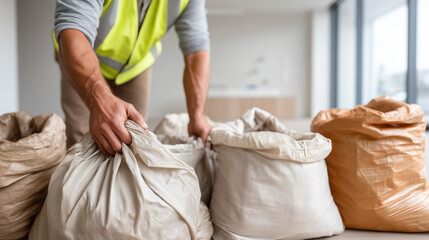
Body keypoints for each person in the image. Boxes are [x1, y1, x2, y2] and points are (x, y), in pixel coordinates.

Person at [54, 0, 212, 155]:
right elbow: (73, 31)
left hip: (135, 67)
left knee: (134, 142)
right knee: (83, 145)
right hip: (82, 60)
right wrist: (99, 99)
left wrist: (197, 116)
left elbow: (196, 50)